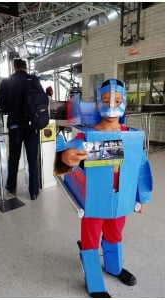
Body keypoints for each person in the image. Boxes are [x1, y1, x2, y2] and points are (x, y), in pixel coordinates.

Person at [55, 78, 152, 297]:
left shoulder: (132, 135)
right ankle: (94, 280)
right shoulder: (86, 135)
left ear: (125, 102)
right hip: (94, 200)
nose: (111, 106)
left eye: (117, 100)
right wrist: (65, 156)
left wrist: (142, 197)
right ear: (98, 102)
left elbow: (140, 166)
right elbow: (63, 159)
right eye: (106, 100)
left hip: (123, 198)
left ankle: (114, 267)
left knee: (115, 233)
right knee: (90, 238)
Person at [0, 58, 44, 200]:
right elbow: (42, 100)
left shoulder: (7, 82)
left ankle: (11, 186)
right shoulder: (34, 80)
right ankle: (34, 191)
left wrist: (12, 111)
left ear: (14, 67)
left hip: (15, 126)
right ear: (26, 67)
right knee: (32, 159)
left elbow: (1, 103)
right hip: (32, 127)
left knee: (14, 158)